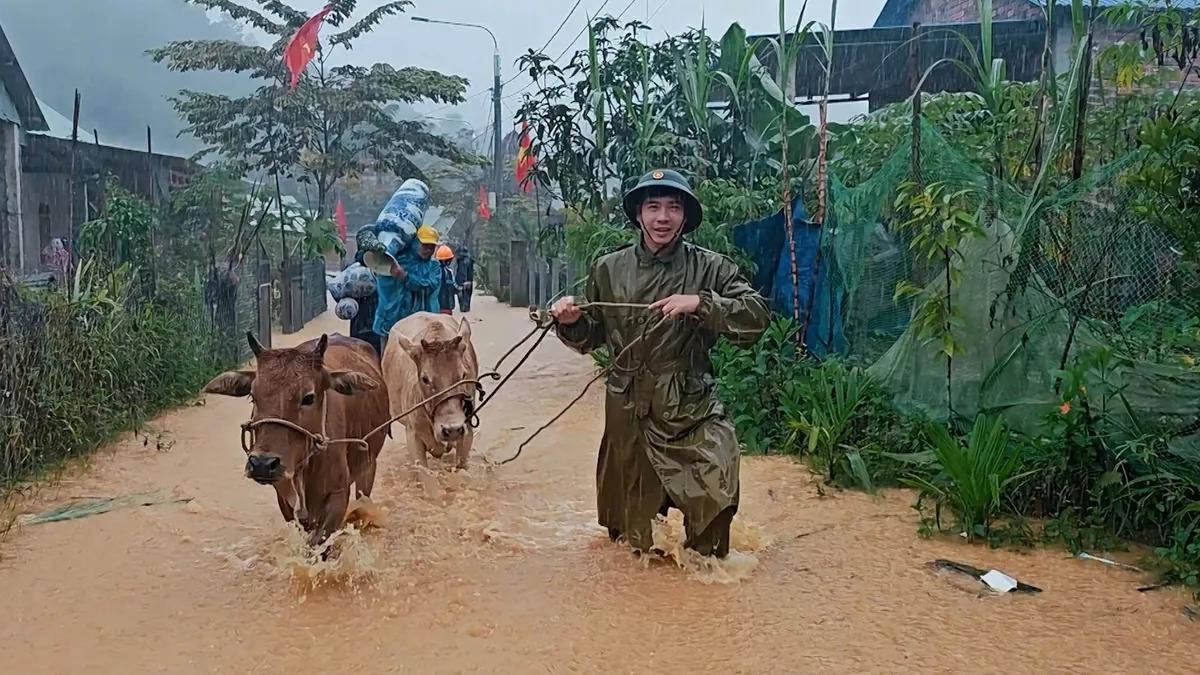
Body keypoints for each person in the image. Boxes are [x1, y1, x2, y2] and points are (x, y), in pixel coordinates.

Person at [550, 169, 770, 560]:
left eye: (673, 207)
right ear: (638, 214)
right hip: (629, 404)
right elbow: (594, 334)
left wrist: (701, 303)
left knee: (715, 493)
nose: (663, 217)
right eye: (653, 207)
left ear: (685, 216)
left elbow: (756, 317)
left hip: (691, 402)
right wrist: (570, 322)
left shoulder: (711, 267)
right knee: (635, 531)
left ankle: (706, 589)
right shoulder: (608, 268)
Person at [374, 224, 443, 355]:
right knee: (389, 360)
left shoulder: (434, 267)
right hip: (392, 322)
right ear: (416, 243)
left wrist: (404, 277)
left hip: (423, 326)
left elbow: (428, 286)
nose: (428, 250)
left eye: (431, 247)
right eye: (425, 245)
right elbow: (381, 275)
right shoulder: (398, 260)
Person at [435, 244, 459, 316]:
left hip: (442, 306)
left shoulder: (447, 271)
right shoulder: (447, 272)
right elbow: (454, 286)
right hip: (444, 305)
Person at [455, 245, 475, 313]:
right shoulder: (469, 259)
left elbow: (462, 271)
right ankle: (466, 306)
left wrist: (463, 281)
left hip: (462, 280)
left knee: (462, 294)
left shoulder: (461, 260)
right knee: (467, 294)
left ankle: (463, 307)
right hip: (469, 280)